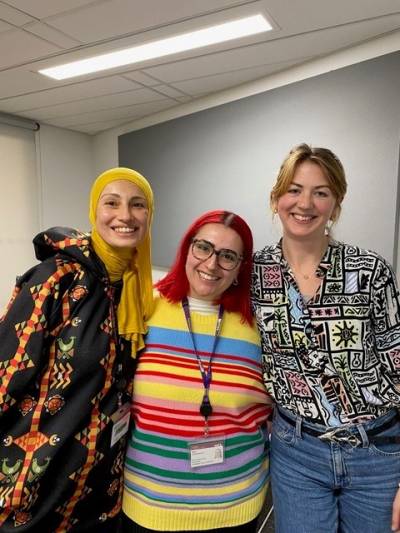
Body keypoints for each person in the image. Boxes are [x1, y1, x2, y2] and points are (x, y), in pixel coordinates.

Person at [251, 143, 400, 533]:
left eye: (321, 192)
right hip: (296, 450)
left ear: (336, 203)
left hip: (378, 451)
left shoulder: (369, 271)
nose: (306, 203)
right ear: (276, 198)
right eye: (294, 189)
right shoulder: (254, 272)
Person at [0, 167, 154, 532]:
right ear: (94, 210)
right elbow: (5, 375)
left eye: (137, 205)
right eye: (112, 203)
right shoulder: (57, 278)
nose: (125, 215)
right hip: (34, 487)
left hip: (100, 492)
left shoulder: (137, 290)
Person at [122, 210, 272, 533]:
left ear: (240, 268)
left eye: (228, 256)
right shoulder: (144, 307)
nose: (211, 263)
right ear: (187, 248)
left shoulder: (257, 326)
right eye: (203, 247)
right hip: (150, 506)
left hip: (234, 506)